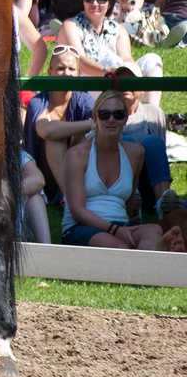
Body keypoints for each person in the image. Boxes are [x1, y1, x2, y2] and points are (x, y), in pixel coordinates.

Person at [62, 91, 184, 251]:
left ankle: (155, 249)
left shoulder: (135, 153)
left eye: (118, 114)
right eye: (105, 114)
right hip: (81, 227)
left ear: (126, 118)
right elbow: (77, 211)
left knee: (152, 230)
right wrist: (115, 230)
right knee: (120, 247)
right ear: (95, 118)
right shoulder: (77, 155)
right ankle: (157, 253)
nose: (111, 120)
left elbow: (129, 203)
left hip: (120, 224)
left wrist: (123, 228)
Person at [23, 44, 94, 201]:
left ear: (78, 74)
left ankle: (75, 196)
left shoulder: (84, 99)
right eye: (61, 68)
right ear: (49, 73)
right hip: (44, 177)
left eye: (71, 69)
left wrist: (88, 127)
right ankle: (71, 200)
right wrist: (91, 124)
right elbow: (46, 130)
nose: (66, 73)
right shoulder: (38, 102)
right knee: (56, 138)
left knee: (84, 136)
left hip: (78, 170)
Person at [111, 61, 181, 218]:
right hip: (121, 181)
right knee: (127, 141)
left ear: (141, 86)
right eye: (121, 81)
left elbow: (160, 151)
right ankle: (131, 203)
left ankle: (164, 203)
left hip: (150, 181)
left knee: (152, 142)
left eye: (131, 81)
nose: (125, 86)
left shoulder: (154, 113)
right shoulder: (107, 115)